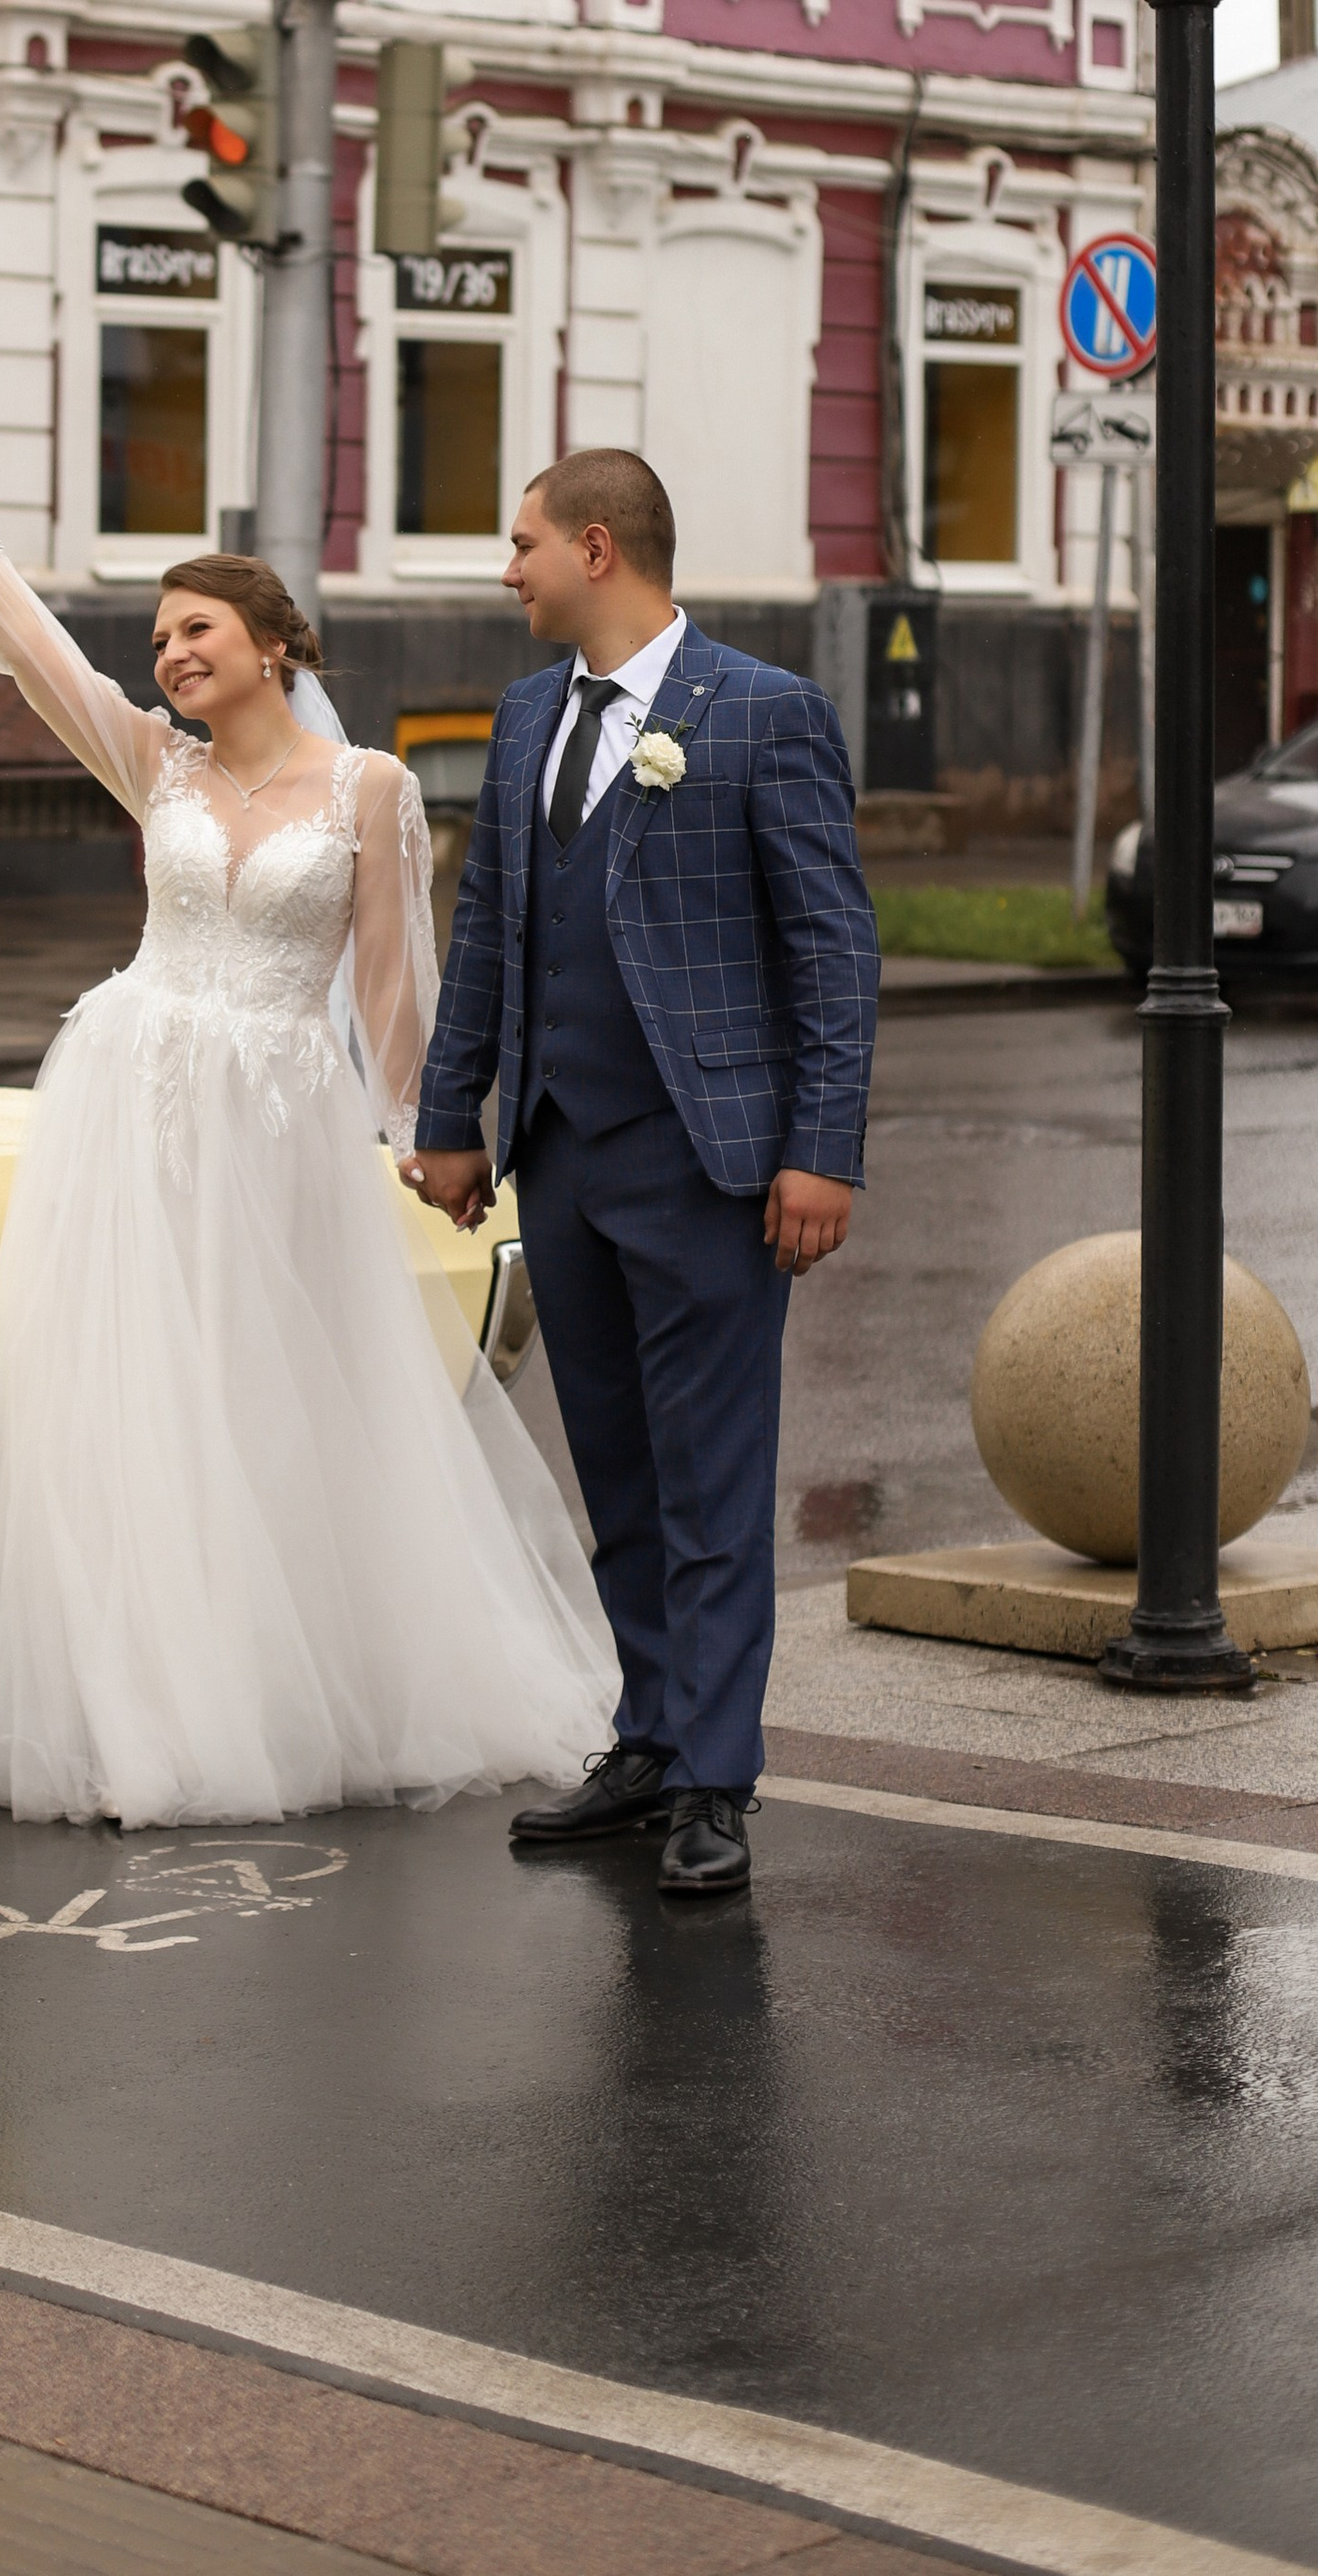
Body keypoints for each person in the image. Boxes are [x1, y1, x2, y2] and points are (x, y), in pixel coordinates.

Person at [0, 421, 617, 1832]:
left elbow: (397, 981)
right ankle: (150, 1707)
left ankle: (294, 1693)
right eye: (158, 638)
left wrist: (429, 1132)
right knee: (139, 1408)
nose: (169, 654)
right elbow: (33, 651)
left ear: (276, 643)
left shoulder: (370, 791)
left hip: (273, 1119)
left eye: (195, 628)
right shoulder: (154, 766)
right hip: (130, 1106)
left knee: (269, 1407)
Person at [400, 450, 879, 1900]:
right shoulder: (533, 707)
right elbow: (488, 923)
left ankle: (717, 1778)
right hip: (561, 1153)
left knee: (713, 1478)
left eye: (524, 541)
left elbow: (833, 955)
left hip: (712, 1165)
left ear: (597, 550)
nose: (509, 568)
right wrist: (451, 1113)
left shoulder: (764, 714)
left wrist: (819, 1152)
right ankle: (651, 1735)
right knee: (615, 1468)